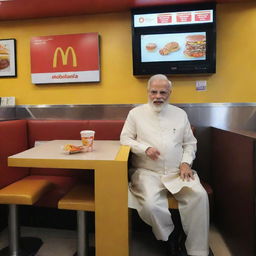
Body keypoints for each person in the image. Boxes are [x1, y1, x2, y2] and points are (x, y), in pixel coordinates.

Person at [120, 74, 209, 256]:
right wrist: (144, 148)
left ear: (170, 92)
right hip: (147, 172)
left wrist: (185, 163)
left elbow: (189, 143)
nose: (158, 96)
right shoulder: (135, 113)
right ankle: (169, 237)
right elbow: (125, 139)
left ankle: (197, 251)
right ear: (148, 92)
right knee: (152, 206)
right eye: (154, 92)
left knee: (199, 196)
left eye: (163, 92)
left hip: (178, 172)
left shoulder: (180, 114)